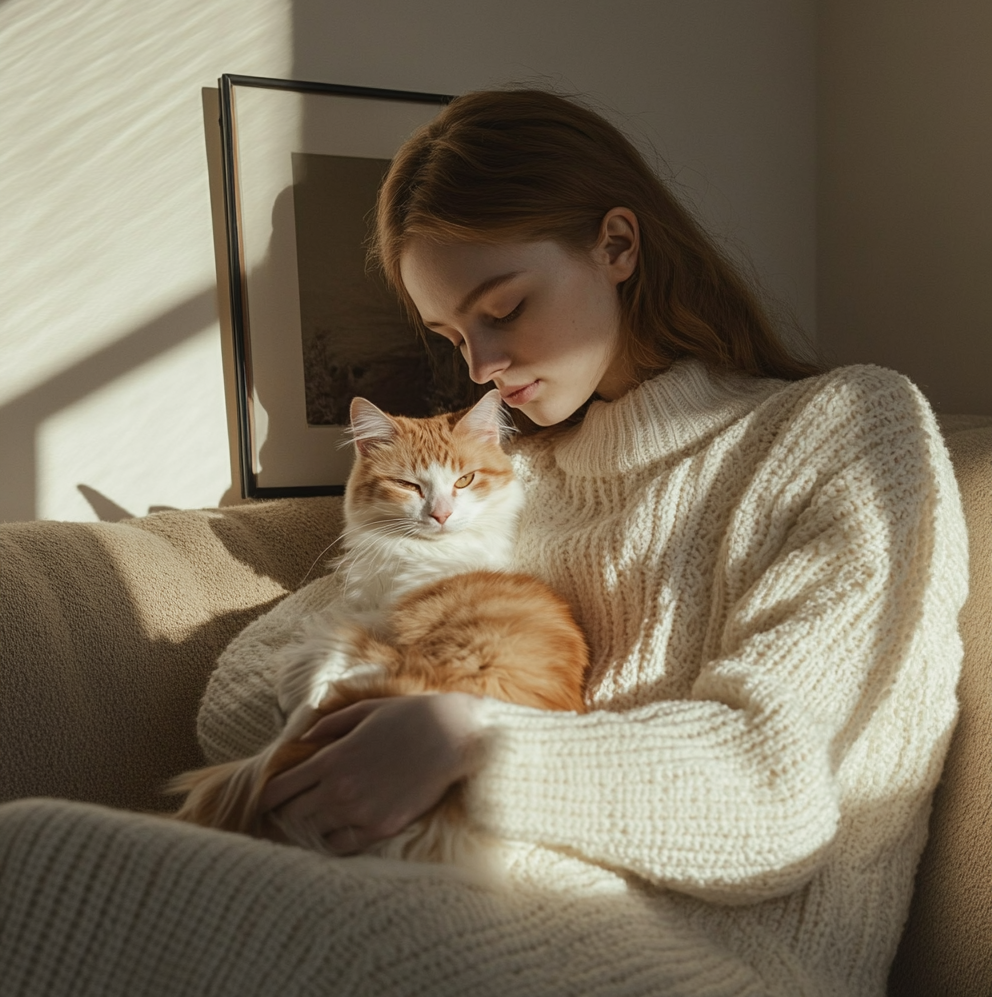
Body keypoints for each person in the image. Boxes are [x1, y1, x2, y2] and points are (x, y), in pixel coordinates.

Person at [0, 90, 967, 997]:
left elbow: (774, 794)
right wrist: (390, 674)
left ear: (617, 244)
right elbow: (237, 703)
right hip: (471, 878)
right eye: (454, 337)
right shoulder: (496, 475)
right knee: (39, 858)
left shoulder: (845, 428)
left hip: (727, 959)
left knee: (43, 867)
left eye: (502, 309)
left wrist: (467, 740)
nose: (487, 366)